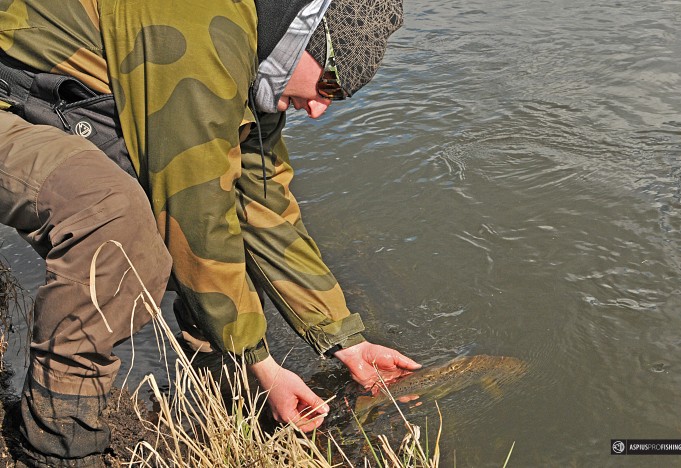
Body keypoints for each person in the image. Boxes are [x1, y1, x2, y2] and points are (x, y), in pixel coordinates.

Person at [0, 0, 419, 465]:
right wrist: (262, 362)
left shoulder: (257, 58)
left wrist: (344, 338)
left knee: (208, 249)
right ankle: (59, 445)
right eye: (328, 85)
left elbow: (263, 206)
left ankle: (226, 401)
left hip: (46, 101)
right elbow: (194, 210)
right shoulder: (200, 30)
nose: (319, 109)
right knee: (117, 219)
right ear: (304, 37)